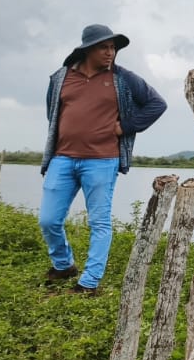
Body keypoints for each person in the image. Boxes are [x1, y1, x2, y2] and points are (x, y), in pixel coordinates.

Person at [41, 24, 167, 296]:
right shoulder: (60, 78)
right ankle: (63, 265)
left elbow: (157, 104)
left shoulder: (122, 78)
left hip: (102, 161)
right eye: (104, 47)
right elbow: (52, 112)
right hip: (62, 158)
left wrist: (126, 126)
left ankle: (89, 282)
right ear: (87, 49)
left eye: (113, 48)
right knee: (48, 220)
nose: (110, 53)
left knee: (99, 222)